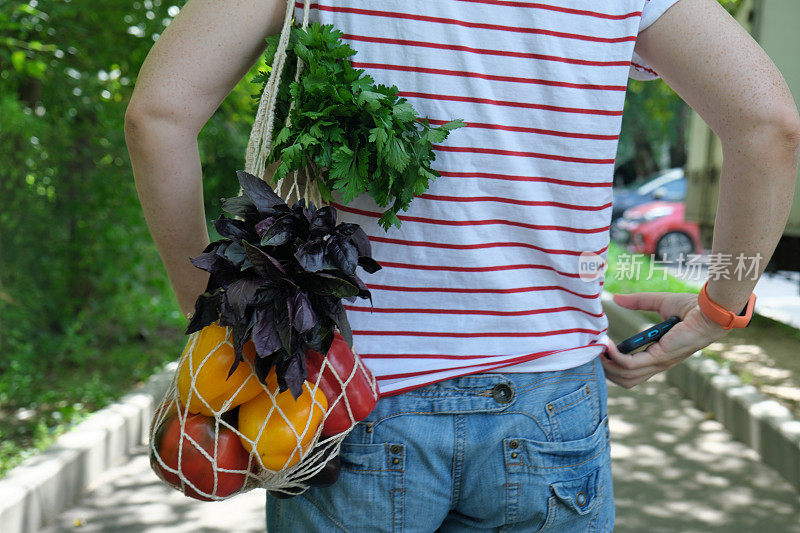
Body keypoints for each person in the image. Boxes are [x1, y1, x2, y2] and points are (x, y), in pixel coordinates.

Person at [124, 0, 800, 530]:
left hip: (346, 401)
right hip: (550, 410)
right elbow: (768, 126)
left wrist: (217, 316)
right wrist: (718, 309)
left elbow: (158, 116)